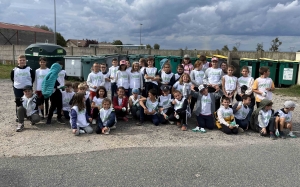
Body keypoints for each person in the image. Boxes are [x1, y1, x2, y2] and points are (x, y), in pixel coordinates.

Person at [11, 55, 35, 120]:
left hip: (27, 89)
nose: (22, 61)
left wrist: (29, 85)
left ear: (25, 61)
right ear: (18, 61)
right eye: (20, 60)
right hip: (18, 88)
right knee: (19, 102)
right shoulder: (14, 70)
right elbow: (12, 79)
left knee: (29, 101)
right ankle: (18, 116)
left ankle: (29, 115)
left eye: (23, 60)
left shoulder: (29, 69)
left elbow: (33, 78)